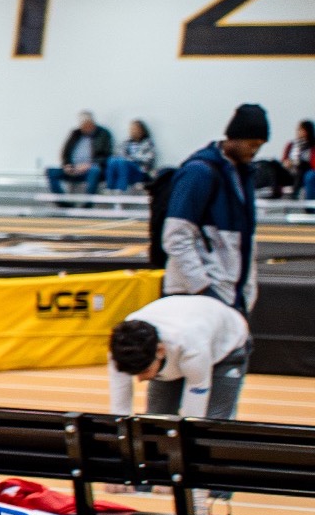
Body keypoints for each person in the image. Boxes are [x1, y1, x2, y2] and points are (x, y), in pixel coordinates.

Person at [164, 104, 268, 313]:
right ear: (234, 137)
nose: (255, 151)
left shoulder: (243, 175)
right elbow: (176, 236)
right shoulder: (198, 172)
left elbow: (244, 243)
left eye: (260, 145)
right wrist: (203, 289)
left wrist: (247, 294)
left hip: (230, 295)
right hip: (198, 296)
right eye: (252, 144)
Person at [108, 294, 251, 422]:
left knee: (213, 423)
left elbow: (194, 418)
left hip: (228, 345)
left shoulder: (192, 347)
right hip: (184, 340)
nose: (139, 379)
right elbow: (120, 411)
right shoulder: (120, 347)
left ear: (160, 350)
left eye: (144, 371)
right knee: (156, 420)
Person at [46, 111, 112, 200]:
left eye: (87, 124)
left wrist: (88, 165)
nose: (85, 127)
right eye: (83, 124)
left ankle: (87, 203)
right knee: (51, 171)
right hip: (74, 169)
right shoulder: (75, 134)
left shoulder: (103, 134)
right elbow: (65, 153)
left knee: (94, 170)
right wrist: (67, 165)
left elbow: (106, 156)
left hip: (91, 169)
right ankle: (63, 202)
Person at [98, 120, 157, 193]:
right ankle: (110, 187)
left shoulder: (148, 143)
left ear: (142, 130)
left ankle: (121, 189)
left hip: (139, 172)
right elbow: (118, 154)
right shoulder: (126, 142)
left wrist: (129, 160)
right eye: (131, 129)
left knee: (123, 162)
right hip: (124, 169)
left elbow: (147, 161)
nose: (133, 131)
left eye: (135, 129)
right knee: (112, 160)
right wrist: (126, 159)